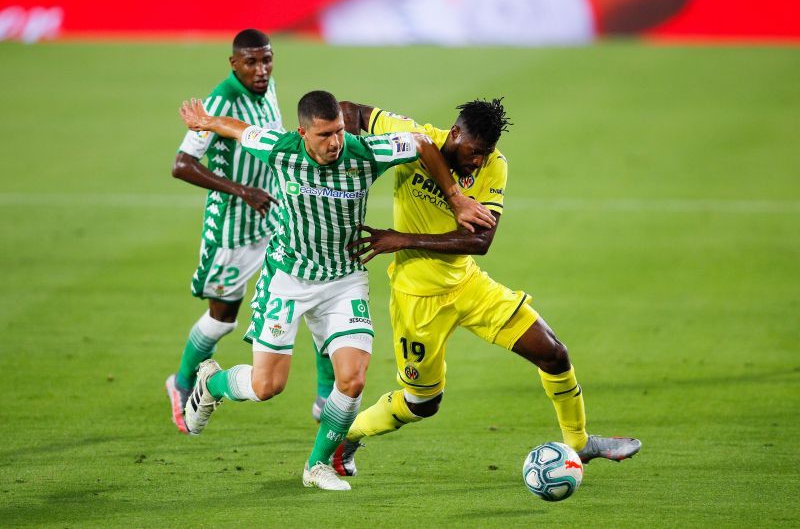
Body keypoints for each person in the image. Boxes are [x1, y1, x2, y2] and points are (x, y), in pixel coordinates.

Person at [177, 91, 496, 490]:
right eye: (325, 135)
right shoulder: (280, 148)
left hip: (344, 278)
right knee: (266, 387)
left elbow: (421, 143)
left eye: (340, 132)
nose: (335, 143)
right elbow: (240, 130)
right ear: (303, 134)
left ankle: (317, 465)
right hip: (288, 278)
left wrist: (456, 198)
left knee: (354, 379)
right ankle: (212, 384)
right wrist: (206, 121)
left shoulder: (363, 152)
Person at [331, 99, 641, 477]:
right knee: (421, 404)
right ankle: (347, 436)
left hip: (467, 284)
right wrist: (342, 155)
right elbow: (352, 110)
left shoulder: (495, 166)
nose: (478, 161)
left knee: (553, 353)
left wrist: (401, 238)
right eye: (474, 152)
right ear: (456, 134)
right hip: (417, 299)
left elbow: (480, 242)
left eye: (486, 154)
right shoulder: (416, 138)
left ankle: (578, 441)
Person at [164, 29, 336, 434]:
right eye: (252, 62)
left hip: (275, 214)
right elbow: (182, 164)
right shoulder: (220, 102)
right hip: (232, 228)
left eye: (267, 60)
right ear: (234, 63)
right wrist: (241, 190)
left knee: (314, 290)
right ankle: (183, 382)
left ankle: (326, 395)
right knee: (223, 319)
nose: (261, 70)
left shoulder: (269, 87)